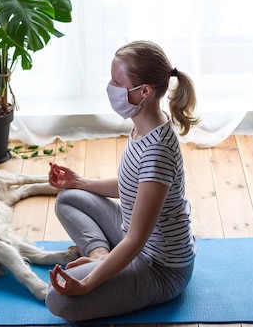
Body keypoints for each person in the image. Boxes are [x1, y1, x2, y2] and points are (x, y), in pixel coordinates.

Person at [45, 40, 200, 322]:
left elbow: (136, 240)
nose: (111, 87)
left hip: (161, 267)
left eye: (118, 82)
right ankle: (100, 253)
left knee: (58, 300)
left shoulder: (158, 151)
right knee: (68, 198)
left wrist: (89, 283)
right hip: (132, 235)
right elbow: (131, 186)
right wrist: (79, 181)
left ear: (144, 92)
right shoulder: (145, 125)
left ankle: (101, 259)